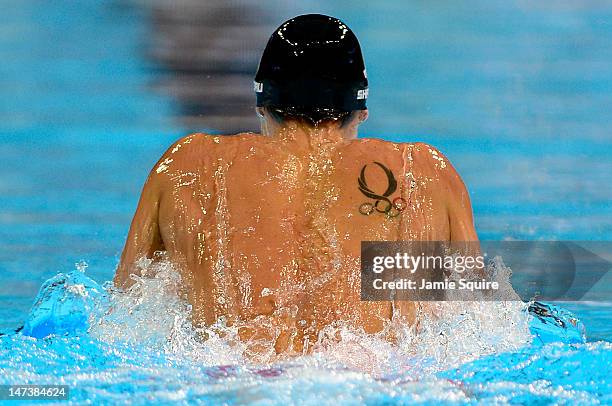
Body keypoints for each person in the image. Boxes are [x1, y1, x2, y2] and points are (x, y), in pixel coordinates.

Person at [114, 14, 478, 355]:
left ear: (262, 104)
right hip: (370, 377)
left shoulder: (187, 165)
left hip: (232, 375)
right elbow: (469, 323)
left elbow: (124, 314)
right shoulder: (421, 171)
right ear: (361, 109)